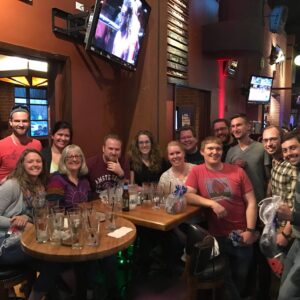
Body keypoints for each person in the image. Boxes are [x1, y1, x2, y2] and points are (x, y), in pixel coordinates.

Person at [185, 136, 257, 300]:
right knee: (225, 277)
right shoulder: (197, 171)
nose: (214, 152)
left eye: (218, 148)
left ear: (222, 151)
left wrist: (250, 231)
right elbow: (188, 195)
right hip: (217, 235)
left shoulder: (237, 171)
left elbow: (252, 202)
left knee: (241, 275)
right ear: (202, 151)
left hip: (241, 232)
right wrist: (212, 203)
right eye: (210, 148)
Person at [0, 149, 58, 300]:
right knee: (52, 258)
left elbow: (36, 216)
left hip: (27, 239)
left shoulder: (38, 186)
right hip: (4, 244)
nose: (35, 164)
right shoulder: (12, 185)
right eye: (30, 161)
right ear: (22, 165)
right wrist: (15, 222)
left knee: (55, 262)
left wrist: (26, 217)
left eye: (38, 161)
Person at [225, 113, 268, 299]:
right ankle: (246, 290)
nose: (235, 129)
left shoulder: (261, 148)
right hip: (238, 209)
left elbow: (269, 178)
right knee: (245, 253)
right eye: (233, 126)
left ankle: (264, 292)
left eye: (239, 125)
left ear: (249, 126)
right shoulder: (230, 151)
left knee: (261, 254)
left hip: (259, 207)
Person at [262, 126, 297, 248]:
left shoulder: (292, 164)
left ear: (281, 139)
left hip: (290, 226)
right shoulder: (275, 160)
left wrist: (286, 234)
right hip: (277, 221)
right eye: (265, 140)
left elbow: (295, 205)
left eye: (273, 139)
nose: (269, 144)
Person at [277, 132, 300, 300]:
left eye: (293, 148)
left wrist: (291, 216)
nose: (289, 153)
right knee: (283, 282)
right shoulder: (297, 169)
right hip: (298, 239)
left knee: (286, 296)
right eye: (285, 150)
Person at [0, 105, 42, 183]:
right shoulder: (1, 145)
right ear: (10, 122)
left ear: (29, 122)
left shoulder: (37, 144)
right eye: (17, 121)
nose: (21, 124)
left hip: (31, 191)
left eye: (24, 121)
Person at [46, 144, 91, 208]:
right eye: (70, 157)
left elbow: (89, 202)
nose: (74, 159)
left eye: (77, 156)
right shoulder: (57, 179)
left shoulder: (84, 179)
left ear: (82, 159)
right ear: (64, 160)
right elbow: (52, 208)